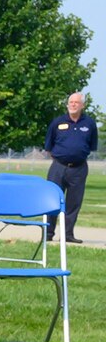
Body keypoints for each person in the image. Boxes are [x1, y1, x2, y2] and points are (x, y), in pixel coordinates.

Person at [46, 91, 95, 244]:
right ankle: (48, 233)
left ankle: (67, 234)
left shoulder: (89, 124)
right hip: (58, 168)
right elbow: (49, 146)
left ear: (82, 105)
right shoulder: (57, 122)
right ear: (67, 104)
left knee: (74, 203)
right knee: (52, 200)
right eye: (71, 102)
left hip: (79, 169)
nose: (73, 105)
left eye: (76, 102)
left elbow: (92, 145)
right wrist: (61, 159)